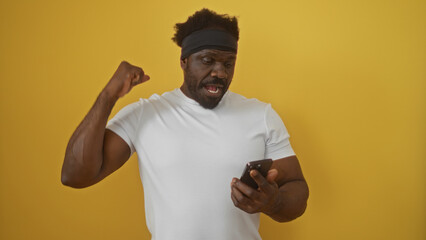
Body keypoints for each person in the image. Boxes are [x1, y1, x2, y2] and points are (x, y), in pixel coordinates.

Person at [61, 8, 309, 240]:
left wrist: (273, 202)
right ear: (184, 61)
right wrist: (108, 96)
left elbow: (297, 188)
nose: (220, 73)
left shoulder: (260, 115)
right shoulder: (145, 114)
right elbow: (74, 176)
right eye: (208, 60)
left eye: (228, 63)